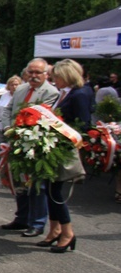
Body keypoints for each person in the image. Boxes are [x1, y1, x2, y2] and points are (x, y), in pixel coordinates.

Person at [0, 58, 59, 237]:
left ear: (46, 74)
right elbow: (8, 110)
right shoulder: (21, 89)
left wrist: (23, 131)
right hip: (15, 140)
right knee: (19, 182)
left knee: (36, 185)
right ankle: (22, 218)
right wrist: (9, 127)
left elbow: (44, 116)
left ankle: (37, 223)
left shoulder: (51, 92)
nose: (33, 76)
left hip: (36, 143)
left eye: (37, 73)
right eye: (30, 72)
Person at [40, 59, 92, 253]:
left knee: (55, 192)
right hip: (55, 146)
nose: (55, 81)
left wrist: (61, 132)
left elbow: (83, 125)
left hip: (64, 147)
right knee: (50, 190)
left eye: (57, 77)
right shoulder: (67, 93)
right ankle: (55, 230)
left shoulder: (79, 94)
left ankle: (67, 232)